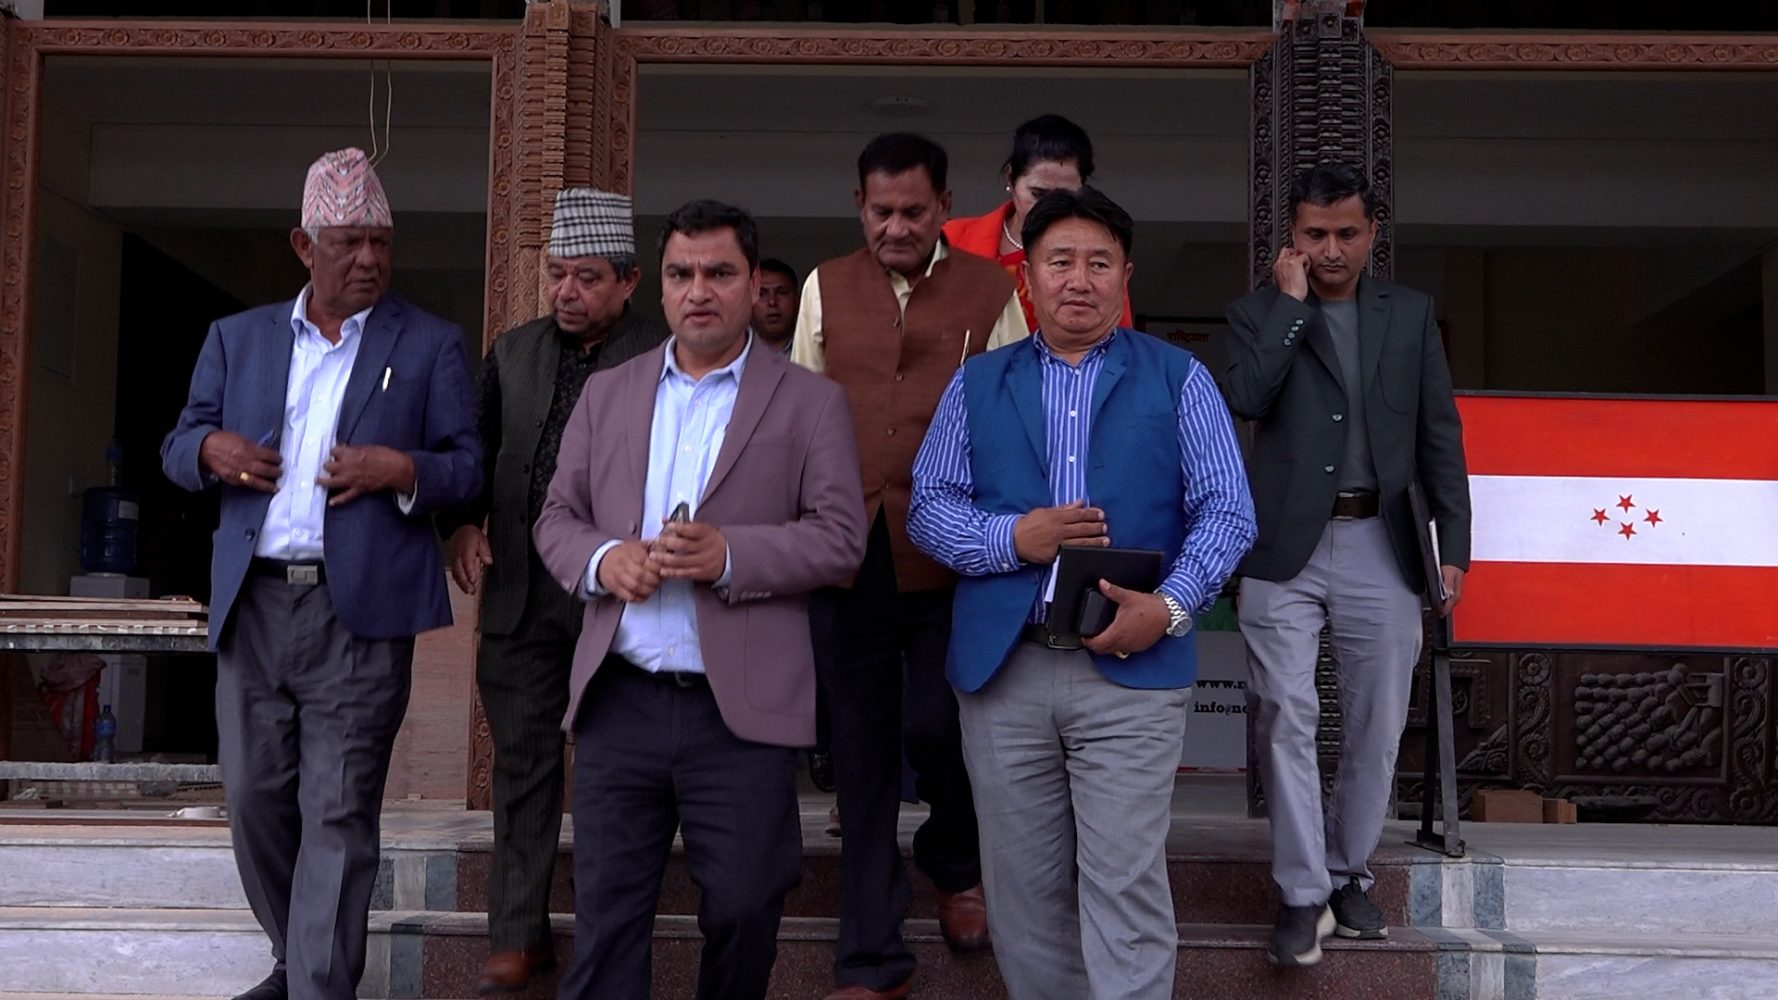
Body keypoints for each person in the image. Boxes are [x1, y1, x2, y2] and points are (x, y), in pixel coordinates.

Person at [909, 186, 1254, 1000]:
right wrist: (1013, 539)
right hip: (1006, 670)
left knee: (1124, 884)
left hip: (1132, 670)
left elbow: (1228, 511)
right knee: (1023, 895)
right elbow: (929, 507)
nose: (1079, 279)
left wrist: (1169, 607)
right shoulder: (976, 383)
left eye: (1099, 263)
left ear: (1125, 277)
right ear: (1027, 277)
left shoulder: (1179, 378)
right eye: (1059, 260)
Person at [160, 147, 480, 1000]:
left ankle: (316, 987)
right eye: (349, 243)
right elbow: (177, 444)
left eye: (382, 242)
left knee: (337, 808)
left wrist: (401, 469)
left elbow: (467, 466)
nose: (369, 259)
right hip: (256, 606)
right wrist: (210, 448)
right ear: (305, 246)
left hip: (359, 613)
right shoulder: (237, 339)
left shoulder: (430, 344)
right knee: (254, 797)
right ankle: (295, 961)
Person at [533, 199, 868, 1000]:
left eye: (719, 273)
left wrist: (731, 555)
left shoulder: (810, 401)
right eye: (681, 274)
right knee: (607, 919)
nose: (699, 291)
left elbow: (841, 538)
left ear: (754, 283)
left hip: (740, 710)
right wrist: (605, 560)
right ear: (660, 286)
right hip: (622, 696)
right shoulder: (609, 393)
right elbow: (556, 518)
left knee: (748, 907)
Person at [791, 131, 1026, 1000]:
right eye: (881, 212)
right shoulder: (824, 286)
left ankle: (955, 863)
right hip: (847, 552)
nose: (896, 227)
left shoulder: (992, 289)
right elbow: (802, 413)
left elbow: (1013, 417)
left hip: (953, 552)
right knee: (859, 757)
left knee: (941, 725)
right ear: (860, 206)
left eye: (914, 212)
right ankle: (870, 958)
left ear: (945, 207)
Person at [1223, 162, 1471, 968]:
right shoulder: (1255, 313)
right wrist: (1292, 308)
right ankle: (1302, 894)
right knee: (1284, 714)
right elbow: (1248, 398)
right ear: (1291, 237)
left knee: (1376, 721)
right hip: (1283, 546)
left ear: (1372, 235)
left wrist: (1453, 546)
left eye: (1346, 234)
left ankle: (1344, 873)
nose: (1330, 249)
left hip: (1383, 541)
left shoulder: (1412, 314)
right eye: (1315, 234)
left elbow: (1439, 435)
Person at [437, 187, 667, 994]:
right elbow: (471, 452)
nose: (566, 292)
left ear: (630, 281)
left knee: (611, 773)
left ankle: (603, 934)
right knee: (523, 763)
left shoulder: (661, 354)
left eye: (587, 277)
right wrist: (460, 526)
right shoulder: (513, 352)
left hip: (620, 601)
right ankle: (517, 935)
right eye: (557, 274)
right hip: (521, 595)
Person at [941, 114, 1132, 332]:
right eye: (1038, 194)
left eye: (1064, 195)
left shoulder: (1101, 252)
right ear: (1010, 178)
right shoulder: (950, 238)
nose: (1049, 207)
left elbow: (1118, 335)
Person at [752, 257, 800, 355]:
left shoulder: (814, 348)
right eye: (762, 294)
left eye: (782, 292)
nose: (772, 302)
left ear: (797, 300)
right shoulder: (732, 354)